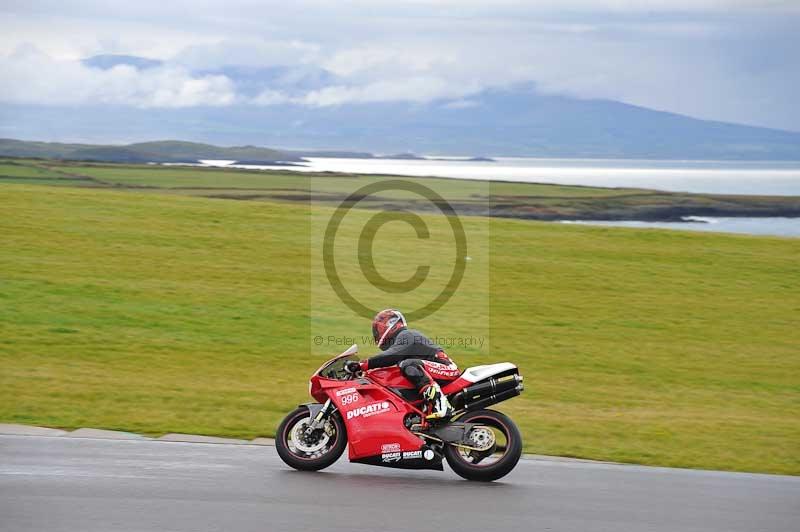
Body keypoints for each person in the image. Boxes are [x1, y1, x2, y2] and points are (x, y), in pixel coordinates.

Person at [346, 309, 459, 420]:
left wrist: (364, 364)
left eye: (379, 329)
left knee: (409, 365)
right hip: (432, 370)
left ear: (392, 324)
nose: (377, 333)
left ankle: (441, 405)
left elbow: (392, 355)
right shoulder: (401, 340)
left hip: (447, 368)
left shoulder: (407, 334)